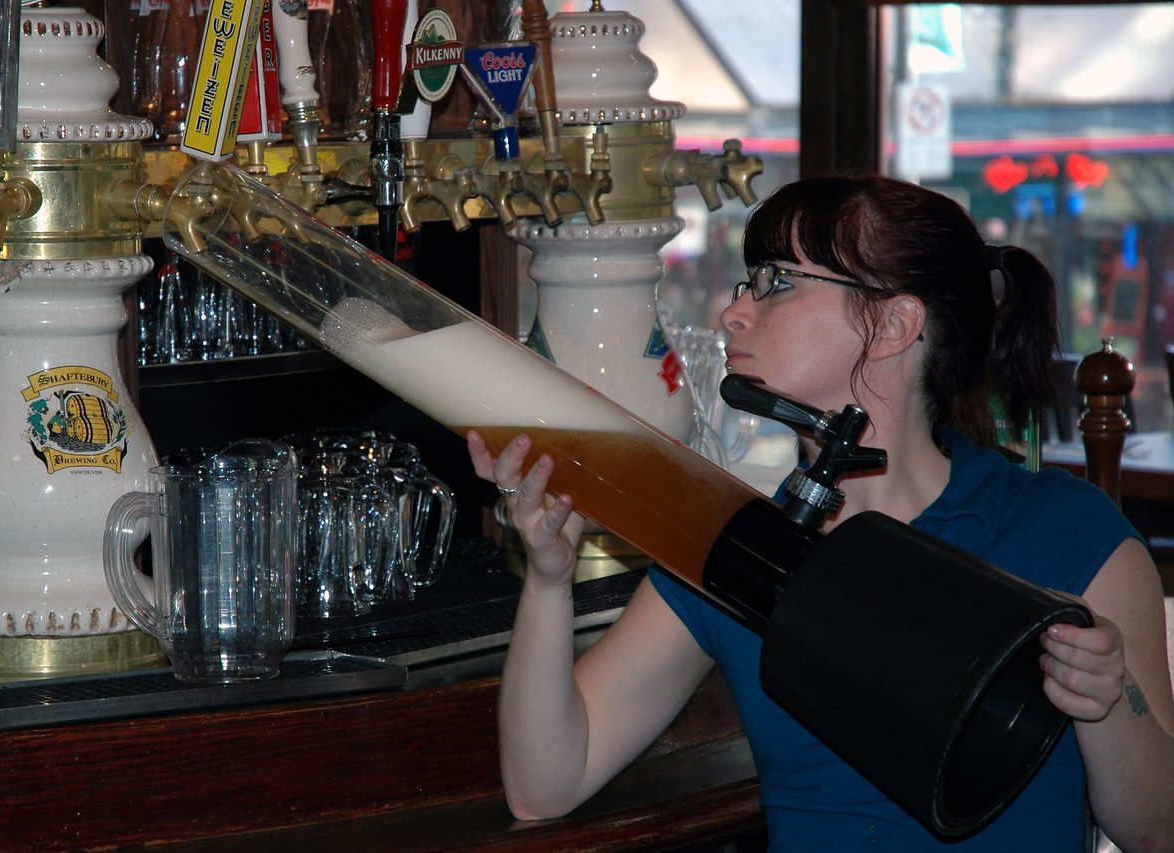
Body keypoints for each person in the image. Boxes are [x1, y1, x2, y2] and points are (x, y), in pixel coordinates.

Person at [467, 175, 1174, 851]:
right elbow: (544, 784)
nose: (733, 311)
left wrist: (1112, 699)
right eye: (750, 282)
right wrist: (549, 579)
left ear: (895, 323)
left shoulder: (1072, 532)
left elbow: (1155, 831)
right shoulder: (740, 546)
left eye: (778, 283)